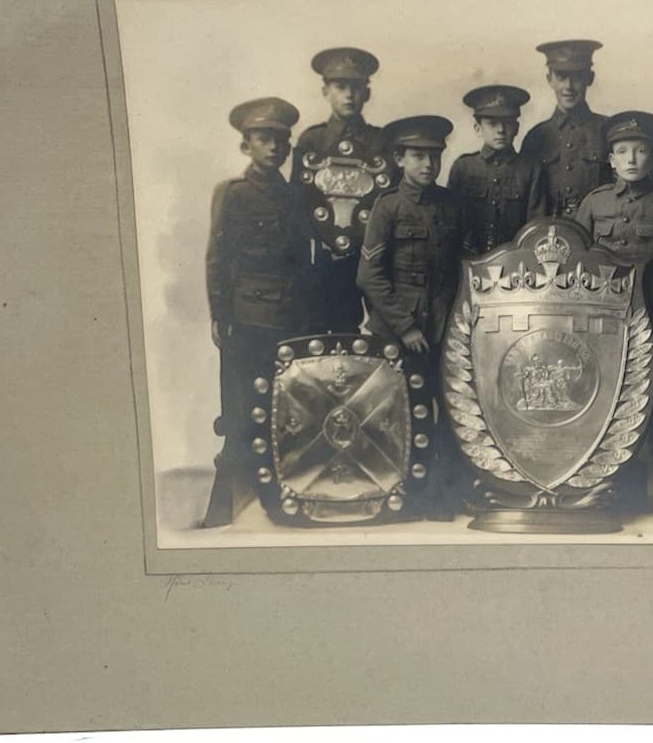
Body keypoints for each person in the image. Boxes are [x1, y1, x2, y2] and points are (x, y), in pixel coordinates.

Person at [203, 97, 325, 527]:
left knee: (282, 409)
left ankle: (278, 498)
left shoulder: (295, 198)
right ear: (246, 145)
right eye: (264, 139)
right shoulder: (233, 194)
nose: (274, 147)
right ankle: (224, 505)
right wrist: (220, 315)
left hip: (289, 319)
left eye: (281, 141)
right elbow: (218, 257)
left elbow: (303, 261)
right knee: (240, 410)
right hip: (248, 317)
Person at [575, 111, 653, 516]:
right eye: (622, 151)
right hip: (602, 327)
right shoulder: (595, 204)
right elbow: (577, 265)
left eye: (641, 151)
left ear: (652, 158)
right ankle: (608, 497)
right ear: (610, 160)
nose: (632, 159)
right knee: (604, 406)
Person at [356, 115, 474, 518]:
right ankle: (399, 495)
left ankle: (442, 496)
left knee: (451, 411)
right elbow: (369, 276)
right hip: (399, 329)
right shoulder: (387, 207)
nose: (428, 165)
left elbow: (465, 266)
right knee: (399, 412)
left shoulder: (453, 207)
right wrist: (405, 328)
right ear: (400, 159)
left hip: (445, 325)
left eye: (434, 157)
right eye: (418, 156)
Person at [289, 47, 391, 333]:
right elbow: (298, 205)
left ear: (367, 93)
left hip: (372, 259)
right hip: (324, 260)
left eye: (356, 88)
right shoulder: (312, 141)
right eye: (340, 87)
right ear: (325, 91)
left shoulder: (381, 141)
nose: (349, 95)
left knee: (380, 340)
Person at [448, 84, 547, 253]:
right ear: (478, 129)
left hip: (515, 262)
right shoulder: (464, 168)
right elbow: (450, 221)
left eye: (507, 123)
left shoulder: (530, 169)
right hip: (468, 260)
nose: (501, 130)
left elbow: (536, 227)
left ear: (516, 128)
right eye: (492, 123)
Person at [520, 39, 612, 216]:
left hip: (597, 233)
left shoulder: (608, 131)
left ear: (589, 78)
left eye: (577, 76)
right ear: (549, 80)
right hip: (548, 234)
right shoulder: (536, 137)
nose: (568, 87)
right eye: (561, 77)